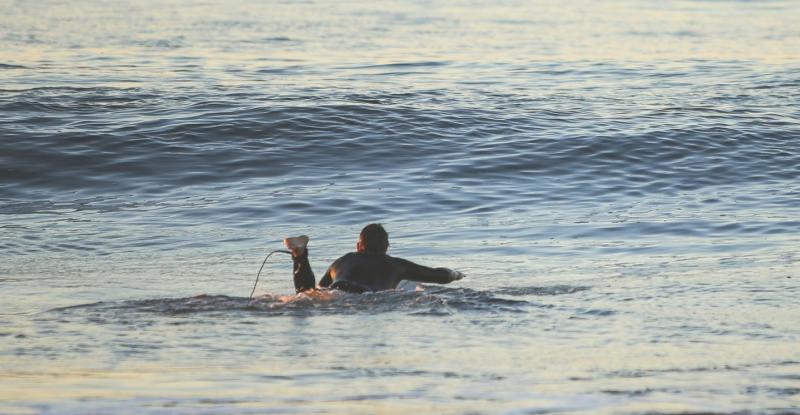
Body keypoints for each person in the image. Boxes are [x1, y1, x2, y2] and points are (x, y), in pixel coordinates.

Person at [284, 223, 464, 294]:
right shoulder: (396, 265)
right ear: (386, 248)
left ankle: (300, 256)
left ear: (358, 246)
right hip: (364, 293)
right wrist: (455, 274)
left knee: (306, 293)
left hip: (339, 288)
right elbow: (438, 276)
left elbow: (316, 290)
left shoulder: (343, 260)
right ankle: (300, 255)